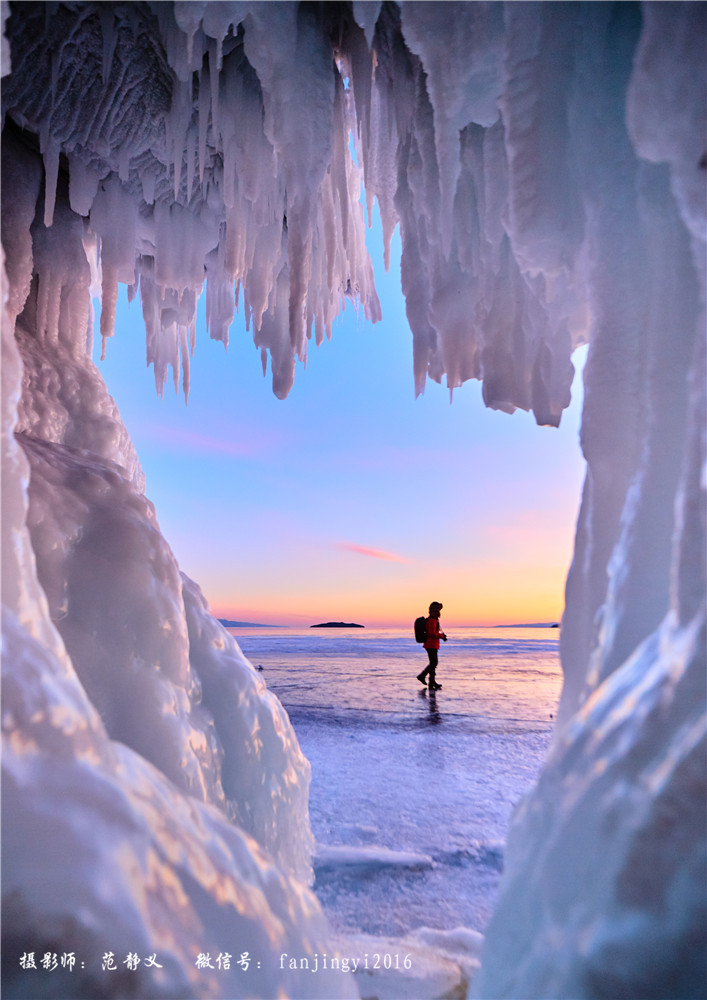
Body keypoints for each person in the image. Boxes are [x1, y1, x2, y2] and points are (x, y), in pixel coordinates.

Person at [416, 601, 447, 690]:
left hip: (432, 644)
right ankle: (423, 676)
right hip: (431, 644)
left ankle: (431, 682)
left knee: (433, 663)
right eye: (438, 609)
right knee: (434, 663)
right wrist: (441, 636)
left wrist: (441, 636)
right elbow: (431, 633)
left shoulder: (433, 619)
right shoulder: (432, 620)